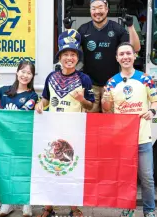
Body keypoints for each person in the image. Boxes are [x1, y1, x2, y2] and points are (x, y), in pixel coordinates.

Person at [35, 29, 95, 217]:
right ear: (60, 57)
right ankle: (48, 206)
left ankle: (74, 207)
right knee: (51, 169)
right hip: (52, 131)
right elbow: (45, 99)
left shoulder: (84, 79)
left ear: (78, 58)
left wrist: (82, 100)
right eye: (66, 54)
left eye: (73, 54)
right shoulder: (51, 77)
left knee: (72, 170)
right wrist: (40, 105)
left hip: (74, 132)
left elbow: (91, 106)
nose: (69, 58)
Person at [101, 42, 157, 217]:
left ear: (134, 56)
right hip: (122, 139)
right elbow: (106, 109)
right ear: (117, 58)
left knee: (147, 178)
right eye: (122, 54)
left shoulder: (145, 78)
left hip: (143, 137)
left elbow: (155, 100)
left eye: (128, 53)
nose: (125, 57)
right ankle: (128, 209)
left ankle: (149, 211)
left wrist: (152, 111)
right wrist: (105, 99)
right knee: (126, 179)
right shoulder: (111, 82)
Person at [0, 61, 38, 217]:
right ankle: (6, 204)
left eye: (29, 73)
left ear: (32, 76)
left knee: (24, 169)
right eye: (23, 71)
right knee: (5, 169)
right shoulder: (4, 91)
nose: (25, 75)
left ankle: (27, 204)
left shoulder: (32, 95)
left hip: (22, 141)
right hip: (3, 141)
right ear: (17, 72)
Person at [77, 0, 141, 113]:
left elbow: (135, 48)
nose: (97, 12)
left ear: (107, 10)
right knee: (90, 122)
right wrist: (67, 29)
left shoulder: (117, 29)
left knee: (111, 120)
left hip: (113, 84)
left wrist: (131, 26)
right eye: (93, 8)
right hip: (90, 85)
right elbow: (71, 49)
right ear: (90, 11)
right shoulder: (83, 29)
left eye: (100, 8)